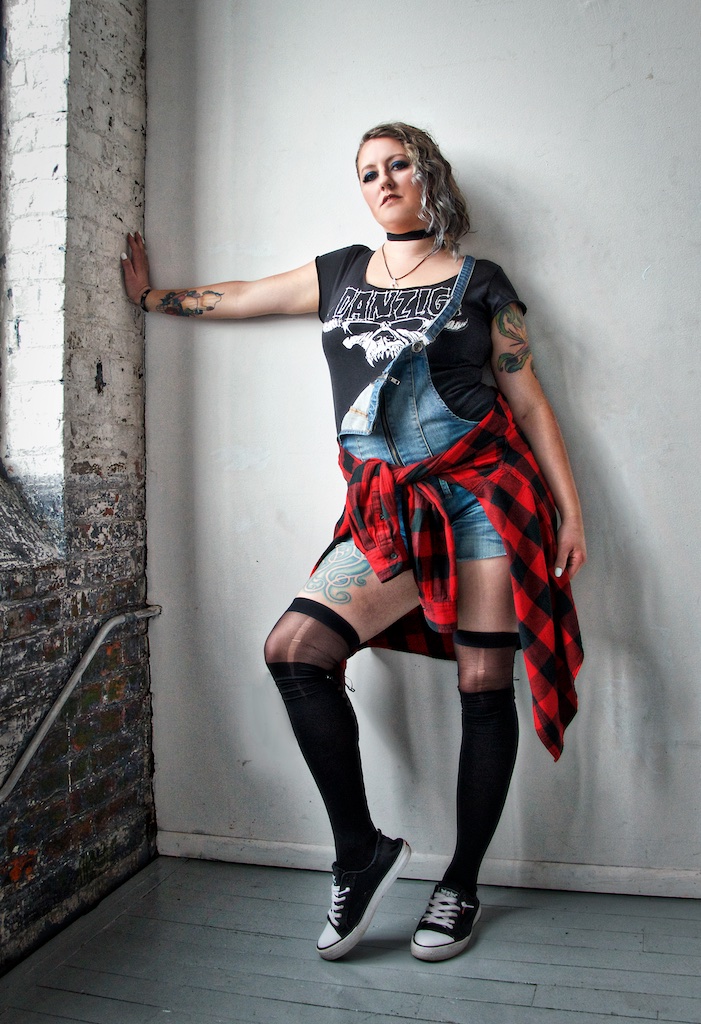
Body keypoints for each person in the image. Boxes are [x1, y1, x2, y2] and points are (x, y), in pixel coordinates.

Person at [121, 122, 585, 964]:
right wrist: (154, 299)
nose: (383, 181)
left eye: (398, 164)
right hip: (386, 506)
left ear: (428, 174)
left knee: (484, 687)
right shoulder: (340, 272)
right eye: (368, 172)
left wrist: (570, 511)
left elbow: (526, 398)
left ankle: (460, 885)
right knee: (295, 649)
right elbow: (245, 295)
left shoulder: (483, 283)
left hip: (483, 497)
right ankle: (360, 853)